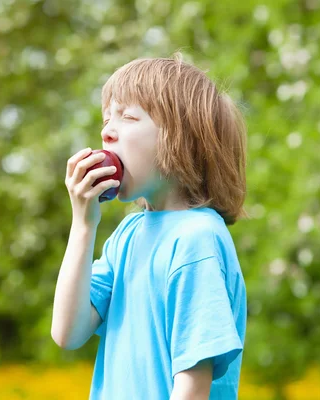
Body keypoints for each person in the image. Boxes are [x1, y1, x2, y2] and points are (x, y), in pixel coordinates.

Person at [51, 53, 248, 400]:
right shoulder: (127, 236)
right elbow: (68, 331)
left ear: (181, 139)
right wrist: (83, 224)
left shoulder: (196, 239)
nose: (106, 131)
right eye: (106, 118)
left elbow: (193, 387)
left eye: (127, 117)